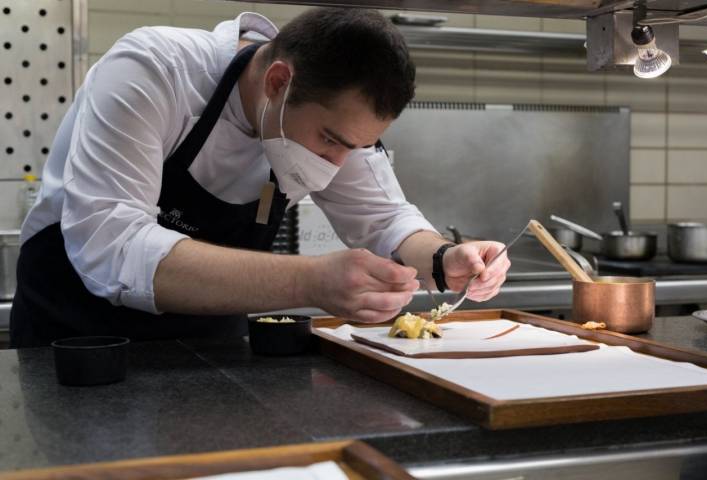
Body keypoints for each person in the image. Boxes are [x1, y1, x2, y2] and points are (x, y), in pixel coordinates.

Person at [9, 8, 511, 348]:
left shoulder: (326, 112)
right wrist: (312, 280)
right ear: (276, 83)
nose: (338, 165)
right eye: (331, 141)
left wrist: (444, 259)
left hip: (213, 348)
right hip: (78, 342)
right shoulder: (157, 70)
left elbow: (385, 218)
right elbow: (111, 245)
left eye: (354, 148)